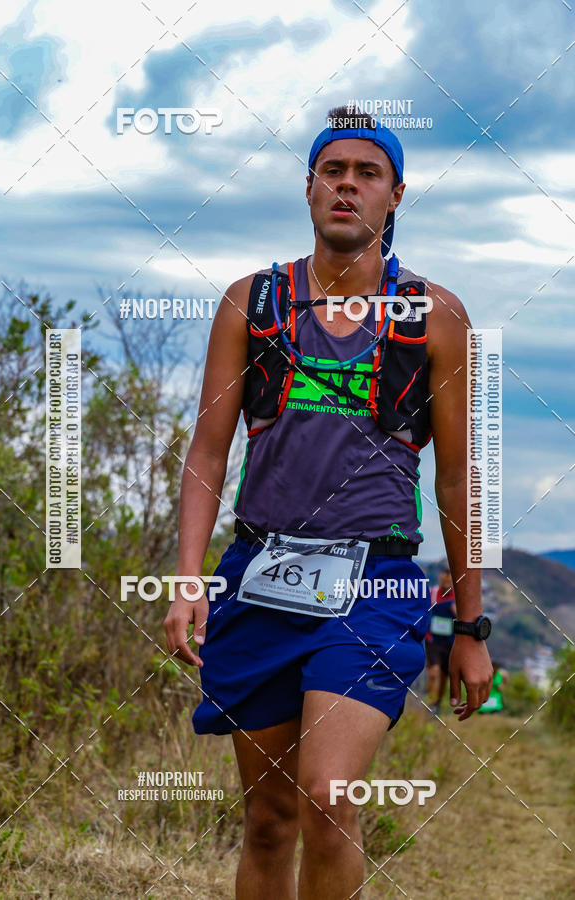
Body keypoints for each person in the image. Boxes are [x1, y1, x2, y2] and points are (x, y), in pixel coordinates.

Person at [164, 105, 494, 899]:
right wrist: (186, 579)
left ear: (396, 195)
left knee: (328, 793)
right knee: (270, 817)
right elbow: (209, 451)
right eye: (333, 171)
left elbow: (456, 479)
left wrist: (470, 626)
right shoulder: (253, 302)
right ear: (309, 187)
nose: (347, 186)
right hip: (260, 576)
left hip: (375, 586)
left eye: (367, 173)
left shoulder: (435, 317)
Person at [425, 567, 457, 714]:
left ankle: (436, 704)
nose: (446, 580)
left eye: (449, 578)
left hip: (450, 642)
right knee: (434, 672)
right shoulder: (432, 592)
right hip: (433, 640)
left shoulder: (457, 597)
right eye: (444, 577)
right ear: (440, 578)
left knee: (445, 676)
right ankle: (428, 700)